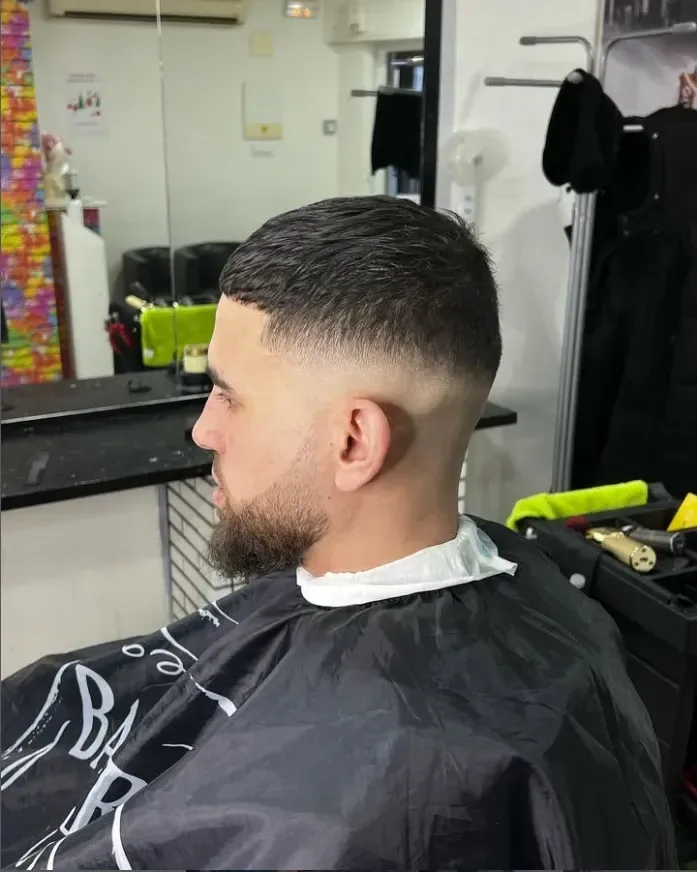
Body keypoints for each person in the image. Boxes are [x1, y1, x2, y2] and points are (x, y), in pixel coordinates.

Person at [1, 197, 674, 870]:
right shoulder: (539, 589)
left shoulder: (387, 792)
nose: (204, 429)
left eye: (229, 395)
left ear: (353, 441)